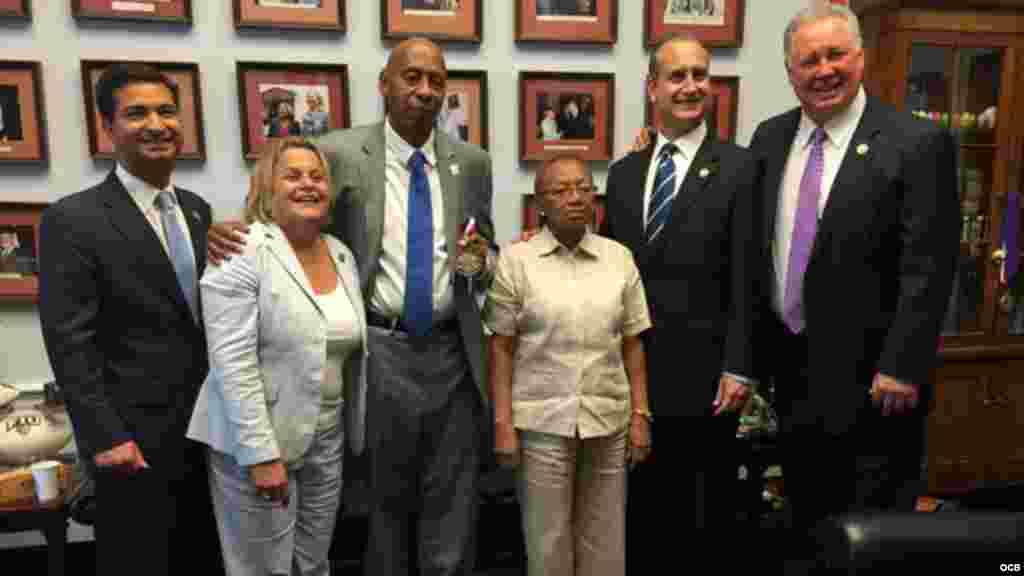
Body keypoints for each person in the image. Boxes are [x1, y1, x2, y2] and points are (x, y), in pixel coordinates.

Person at [207, 37, 494, 576]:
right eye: (412, 77)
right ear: (384, 84)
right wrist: (223, 232)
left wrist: (486, 261)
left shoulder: (472, 164)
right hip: (377, 350)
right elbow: (289, 214)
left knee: (451, 504)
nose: (425, 90)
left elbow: (484, 247)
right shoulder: (338, 153)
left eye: (436, 80)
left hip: (452, 352)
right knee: (381, 503)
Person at [747, 2, 957, 565]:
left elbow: (929, 264)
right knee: (808, 526)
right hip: (792, 378)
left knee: (873, 537)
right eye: (807, 60)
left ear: (860, 57)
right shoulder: (769, 140)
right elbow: (752, 247)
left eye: (835, 54)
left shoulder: (914, 143)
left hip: (877, 387)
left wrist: (903, 365)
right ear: (790, 72)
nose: (823, 70)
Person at [37, 63, 221, 576]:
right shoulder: (73, 220)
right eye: (136, 113)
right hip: (131, 443)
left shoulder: (197, 210)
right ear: (106, 128)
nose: (156, 124)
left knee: (201, 561)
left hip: (205, 436)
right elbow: (70, 342)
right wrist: (104, 436)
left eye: (166, 110)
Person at [601, 33, 758, 567]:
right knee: (638, 511)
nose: (691, 86)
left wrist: (740, 364)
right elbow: (604, 264)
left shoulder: (741, 168)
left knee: (701, 516)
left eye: (700, 75)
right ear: (652, 88)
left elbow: (748, 270)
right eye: (678, 76)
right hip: (631, 374)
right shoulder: (624, 174)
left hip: (707, 375)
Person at [186, 137, 368, 576]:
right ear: (267, 188)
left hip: (326, 436)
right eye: (293, 176)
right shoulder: (239, 249)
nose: (308, 185)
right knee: (262, 568)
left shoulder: (341, 254)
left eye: (317, 176)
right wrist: (260, 455)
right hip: (256, 439)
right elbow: (231, 362)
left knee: (313, 560)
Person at [487, 154, 652, 576]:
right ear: (539, 203)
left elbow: (633, 343)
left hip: (608, 419)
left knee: (606, 539)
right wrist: (503, 424)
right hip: (542, 423)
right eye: (560, 190)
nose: (575, 197)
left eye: (582, 187)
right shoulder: (516, 260)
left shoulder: (619, 259)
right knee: (548, 541)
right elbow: (501, 347)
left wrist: (639, 416)